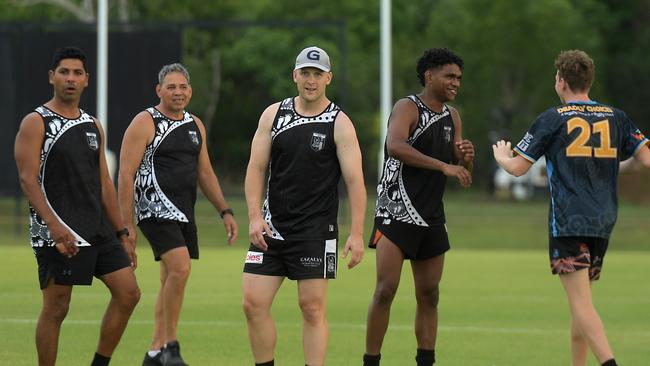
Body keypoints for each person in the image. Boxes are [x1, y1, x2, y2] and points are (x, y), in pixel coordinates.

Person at [492, 49, 650, 366]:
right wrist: (614, 162)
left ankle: (609, 362)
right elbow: (645, 159)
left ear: (561, 81)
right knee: (582, 303)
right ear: (588, 80)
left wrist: (501, 157)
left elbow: (519, 169)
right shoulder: (616, 116)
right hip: (604, 218)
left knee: (580, 304)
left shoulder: (552, 118)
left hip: (569, 220)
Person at [14, 46, 140, 366]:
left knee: (128, 293)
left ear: (86, 80)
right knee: (57, 308)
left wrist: (122, 231)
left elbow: (104, 184)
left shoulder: (92, 124)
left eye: (77, 73)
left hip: (98, 229)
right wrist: (54, 226)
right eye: (64, 72)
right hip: (58, 232)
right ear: (51, 77)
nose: (71, 78)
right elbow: (28, 180)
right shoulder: (36, 121)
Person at [242, 46, 366, 366]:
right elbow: (256, 169)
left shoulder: (339, 122)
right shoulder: (273, 115)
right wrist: (255, 218)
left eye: (318, 74)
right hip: (271, 227)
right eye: (306, 73)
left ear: (329, 78)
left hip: (315, 230)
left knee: (311, 308)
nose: (311, 80)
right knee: (253, 304)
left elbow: (355, 182)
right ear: (295, 76)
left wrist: (356, 233)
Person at [118, 63, 238, 366]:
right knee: (181, 268)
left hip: (183, 212)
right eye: (171, 87)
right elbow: (125, 175)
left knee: (171, 278)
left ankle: (154, 352)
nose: (178, 92)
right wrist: (126, 226)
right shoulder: (145, 122)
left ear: (191, 91)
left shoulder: (196, 124)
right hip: (154, 210)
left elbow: (205, 172)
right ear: (159, 90)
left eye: (183, 86)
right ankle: (171, 346)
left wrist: (225, 210)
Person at [364, 48, 474, 366]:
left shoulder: (453, 116)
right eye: (449, 76)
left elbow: (460, 169)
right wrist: (443, 166)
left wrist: (466, 157)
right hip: (395, 209)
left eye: (459, 78)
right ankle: (370, 361)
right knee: (386, 290)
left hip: (431, 214)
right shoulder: (407, 107)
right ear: (430, 76)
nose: (456, 83)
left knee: (430, 294)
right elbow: (394, 146)